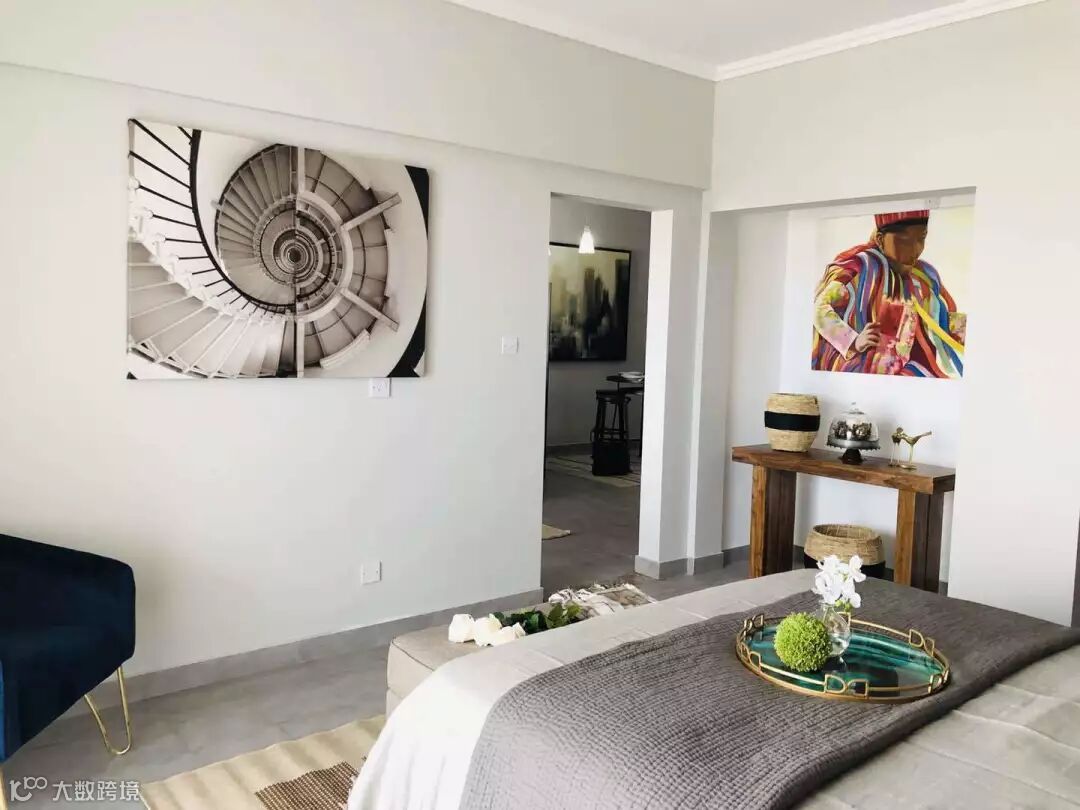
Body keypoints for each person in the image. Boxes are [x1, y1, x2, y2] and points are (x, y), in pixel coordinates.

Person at [811, 210, 965, 378]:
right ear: (880, 239)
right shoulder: (858, 267)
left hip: (911, 367)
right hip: (862, 370)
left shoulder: (925, 275)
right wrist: (853, 341)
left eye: (921, 238)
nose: (915, 250)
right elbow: (819, 307)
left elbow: (943, 320)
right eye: (904, 241)